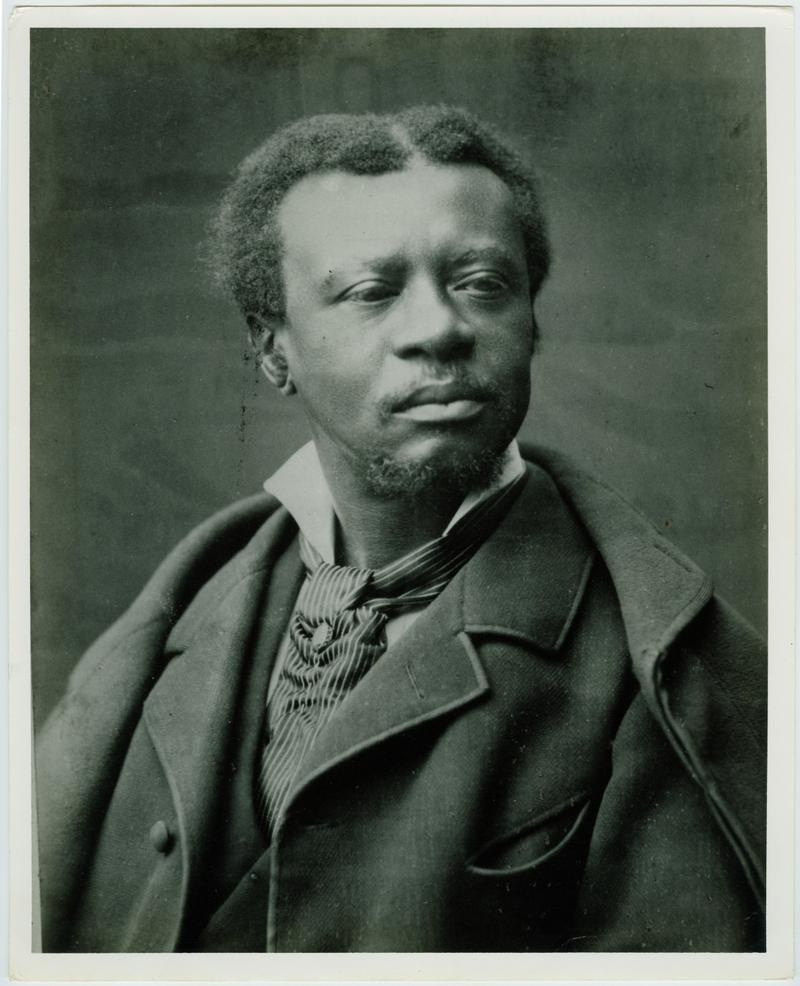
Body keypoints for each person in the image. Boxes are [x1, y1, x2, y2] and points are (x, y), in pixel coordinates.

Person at [35, 105, 766, 953]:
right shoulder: (177, 619)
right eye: (372, 292)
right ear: (274, 351)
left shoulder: (667, 675)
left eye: (484, 284)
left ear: (533, 321)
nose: (441, 329)